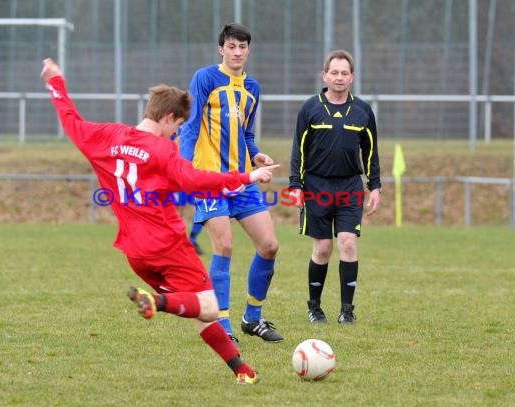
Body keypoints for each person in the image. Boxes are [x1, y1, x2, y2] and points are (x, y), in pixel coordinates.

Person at [41, 58, 280, 384]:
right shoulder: (162, 152)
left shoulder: (107, 137)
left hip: (135, 253)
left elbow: (70, 120)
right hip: (168, 246)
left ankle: (243, 371)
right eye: (177, 126)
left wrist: (56, 82)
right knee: (209, 306)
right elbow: (197, 181)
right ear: (168, 117)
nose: (177, 133)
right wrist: (247, 175)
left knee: (197, 309)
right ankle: (156, 301)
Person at [179, 23, 283, 343]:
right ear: (221, 49)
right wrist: (181, 169)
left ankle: (252, 317)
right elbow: (190, 126)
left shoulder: (253, 86)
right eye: (231, 46)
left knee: (269, 246)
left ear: (248, 50)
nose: (237, 52)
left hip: (243, 180)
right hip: (209, 179)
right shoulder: (205, 78)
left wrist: (256, 155)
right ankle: (221, 325)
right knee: (223, 246)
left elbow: (246, 133)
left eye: (243, 47)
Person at [288, 50, 381, 325]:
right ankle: (314, 308)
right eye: (334, 73)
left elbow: (371, 152)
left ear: (351, 77)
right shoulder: (310, 108)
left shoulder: (363, 111)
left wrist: (374, 186)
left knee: (348, 243)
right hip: (317, 186)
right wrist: (296, 185)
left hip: (351, 186)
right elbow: (298, 151)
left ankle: (347, 311)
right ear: (324, 75)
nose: (339, 78)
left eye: (344, 73)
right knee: (323, 249)